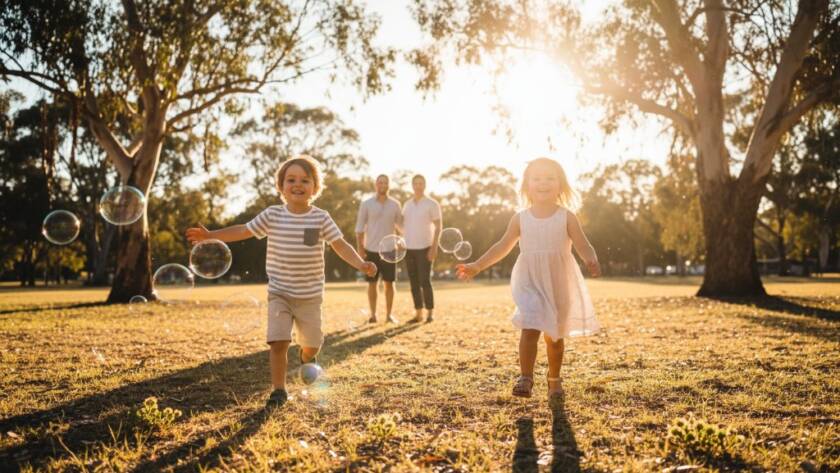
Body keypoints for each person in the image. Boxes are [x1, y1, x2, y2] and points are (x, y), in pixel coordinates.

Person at [186, 155, 377, 409]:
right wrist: (211, 235)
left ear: (315, 187)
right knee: (278, 341)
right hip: (280, 292)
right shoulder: (273, 215)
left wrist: (361, 263)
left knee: (312, 344)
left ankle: (306, 354)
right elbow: (244, 229)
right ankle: (278, 390)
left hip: (310, 295)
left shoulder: (320, 217)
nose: (298, 184)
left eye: (305, 180)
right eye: (291, 180)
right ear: (281, 186)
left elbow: (340, 245)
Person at [456, 157, 601, 401]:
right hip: (530, 281)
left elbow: (582, 243)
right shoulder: (520, 218)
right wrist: (477, 265)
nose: (543, 183)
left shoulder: (566, 216)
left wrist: (591, 259)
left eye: (550, 178)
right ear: (526, 186)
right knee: (530, 326)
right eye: (537, 178)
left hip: (558, 282)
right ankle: (526, 377)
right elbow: (502, 246)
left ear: (561, 185)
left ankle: (554, 380)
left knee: (555, 338)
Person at [355, 174, 402, 324]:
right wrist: (360, 249)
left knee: (390, 283)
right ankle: (373, 315)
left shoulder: (395, 205)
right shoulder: (366, 204)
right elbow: (359, 228)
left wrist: (403, 241)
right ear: (376, 185)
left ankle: (389, 315)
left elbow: (401, 227)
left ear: (389, 185)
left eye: (385, 182)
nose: (382, 184)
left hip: (390, 250)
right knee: (372, 283)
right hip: (371, 249)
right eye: (380, 182)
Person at [402, 174, 442, 323]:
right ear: (412, 186)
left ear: (424, 185)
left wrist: (434, 247)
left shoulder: (432, 204)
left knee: (425, 281)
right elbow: (404, 226)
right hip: (409, 248)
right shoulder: (407, 205)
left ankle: (430, 313)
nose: (418, 186)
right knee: (413, 282)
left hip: (425, 247)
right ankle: (418, 313)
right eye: (416, 184)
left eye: (421, 184)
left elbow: (438, 226)